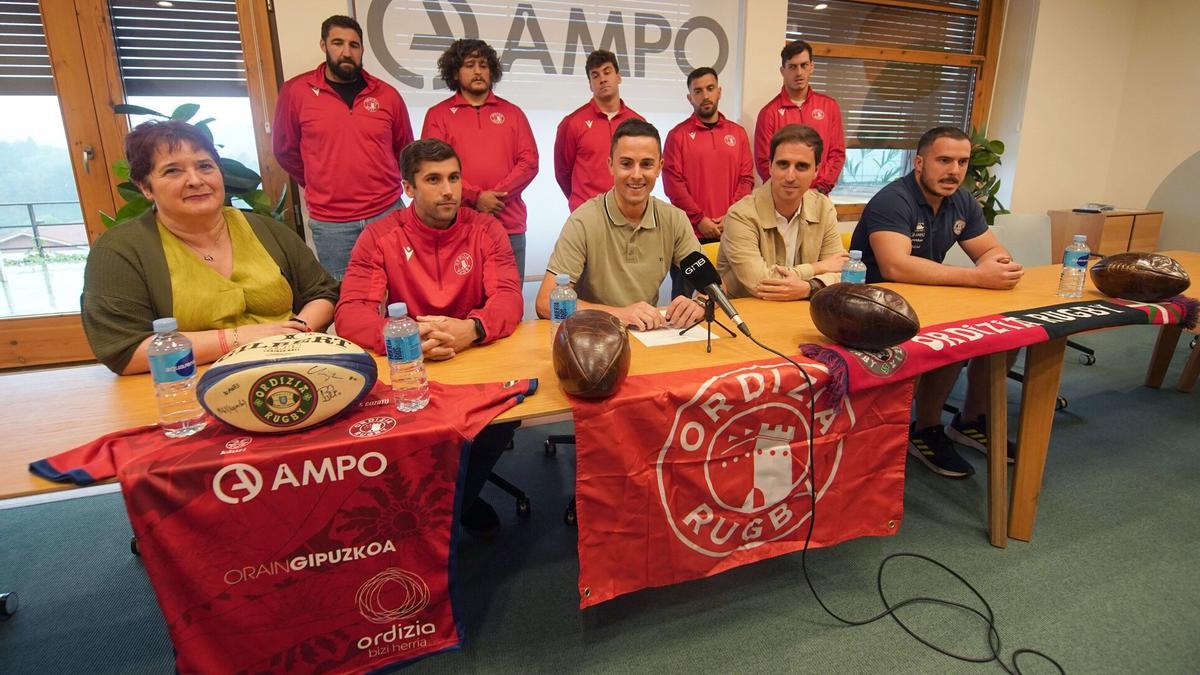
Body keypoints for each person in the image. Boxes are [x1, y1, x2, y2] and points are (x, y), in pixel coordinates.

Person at [335, 138, 522, 537]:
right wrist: (406, 337)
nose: (448, 190)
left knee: (506, 415)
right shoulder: (379, 236)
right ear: (408, 187)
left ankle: (454, 506)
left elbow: (508, 298)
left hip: (471, 353)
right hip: (409, 360)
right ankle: (449, 504)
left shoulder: (486, 228)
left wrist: (471, 329)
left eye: (454, 178)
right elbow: (351, 312)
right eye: (434, 180)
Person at [81, 121, 337, 375]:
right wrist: (239, 340)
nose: (195, 180)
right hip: (187, 382)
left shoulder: (267, 229)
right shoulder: (120, 250)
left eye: (205, 166)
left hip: (292, 369)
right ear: (146, 187)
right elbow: (124, 350)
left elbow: (323, 292)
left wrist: (295, 332)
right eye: (172, 171)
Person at [850, 126, 1024, 478]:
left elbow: (990, 250)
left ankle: (971, 420)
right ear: (919, 162)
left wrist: (996, 264)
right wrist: (977, 277)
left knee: (1010, 331)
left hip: (929, 296)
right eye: (944, 160)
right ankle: (925, 429)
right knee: (952, 340)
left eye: (962, 162)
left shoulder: (961, 200)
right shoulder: (893, 199)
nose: (954, 171)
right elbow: (895, 266)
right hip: (878, 307)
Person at [273, 15, 414, 280]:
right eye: (338, 43)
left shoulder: (387, 95)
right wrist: (321, 180)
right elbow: (285, 151)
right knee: (346, 296)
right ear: (324, 45)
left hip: (386, 212)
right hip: (332, 224)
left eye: (354, 45)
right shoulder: (296, 92)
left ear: (362, 49)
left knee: (400, 287)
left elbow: (405, 150)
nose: (346, 52)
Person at [537, 119, 704, 331]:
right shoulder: (583, 220)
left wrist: (699, 304)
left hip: (648, 336)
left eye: (646, 164)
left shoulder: (674, 220)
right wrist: (619, 314)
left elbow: (716, 286)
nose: (636, 175)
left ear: (659, 168)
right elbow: (545, 303)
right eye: (626, 164)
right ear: (611, 166)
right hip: (592, 336)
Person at [422, 38, 538, 280]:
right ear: (455, 72)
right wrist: (476, 197)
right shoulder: (438, 115)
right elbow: (433, 168)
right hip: (457, 226)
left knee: (509, 300)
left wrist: (494, 196)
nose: (477, 71)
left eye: (483, 65)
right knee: (462, 302)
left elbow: (529, 162)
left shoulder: (513, 113)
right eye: (469, 65)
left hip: (509, 225)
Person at [718, 124, 849, 300]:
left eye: (801, 166)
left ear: (816, 170)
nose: (790, 176)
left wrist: (810, 287)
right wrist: (818, 268)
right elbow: (762, 284)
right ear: (770, 166)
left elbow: (841, 273)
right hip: (745, 314)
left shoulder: (824, 208)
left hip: (800, 312)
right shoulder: (740, 215)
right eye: (783, 164)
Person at [663, 66, 754, 296]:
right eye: (698, 91)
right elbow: (673, 184)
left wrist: (731, 216)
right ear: (689, 97)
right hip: (689, 235)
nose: (705, 96)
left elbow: (746, 179)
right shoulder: (677, 136)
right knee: (683, 302)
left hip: (731, 232)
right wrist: (700, 219)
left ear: (719, 91)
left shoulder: (738, 133)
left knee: (729, 299)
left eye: (710, 89)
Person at [554, 50, 644, 212]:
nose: (602, 79)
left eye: (607, 72)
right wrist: (581, 204)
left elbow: (644, 168)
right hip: (587, 214)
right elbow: (562, 174)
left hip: (629, 213)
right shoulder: (572, 123)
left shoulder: (638, 123)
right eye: (595, 76)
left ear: (618, 77)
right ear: (590, 84)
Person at [754, 40, 845, 194]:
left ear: (812, 67)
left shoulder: (829, 106)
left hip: (819, 195)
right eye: (792, 67)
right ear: (783, 71)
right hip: (782, 198)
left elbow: (836, 153)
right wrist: (788, 189)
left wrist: (821, 188)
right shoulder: (769, 113)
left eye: (804, 65)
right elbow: (765, 162)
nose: (799, 72)